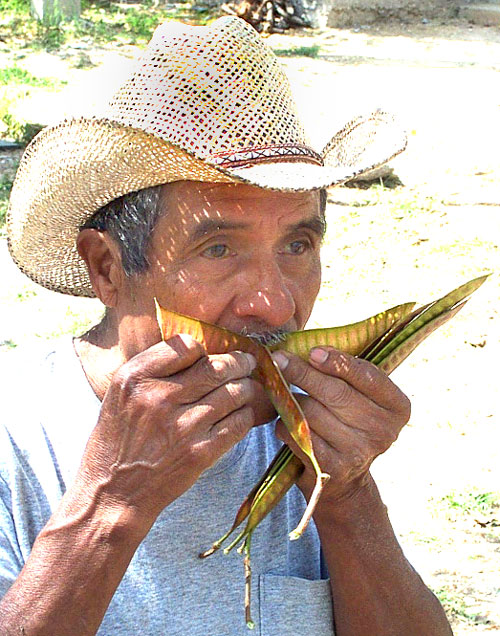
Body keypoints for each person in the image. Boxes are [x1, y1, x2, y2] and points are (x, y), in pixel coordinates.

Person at [0, 16, 452, 636]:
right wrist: (112, 504)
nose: (272, 305)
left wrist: (347, 495)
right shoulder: (15, 435)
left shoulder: (305, 435)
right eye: (218, 250)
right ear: (107, 267)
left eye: (297, 245)